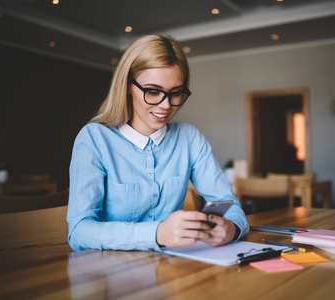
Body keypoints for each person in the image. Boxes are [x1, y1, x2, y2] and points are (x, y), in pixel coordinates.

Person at [67, 35, 249, 252]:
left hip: (174, 269)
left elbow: (228, 204)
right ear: (127, 86)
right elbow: (79, 232)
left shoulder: (189, 138)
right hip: (111, 276)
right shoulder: (94, 139)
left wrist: (231, 228)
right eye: (153, 91)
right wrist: (157, 233)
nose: (166, 106)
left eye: (176, 93)